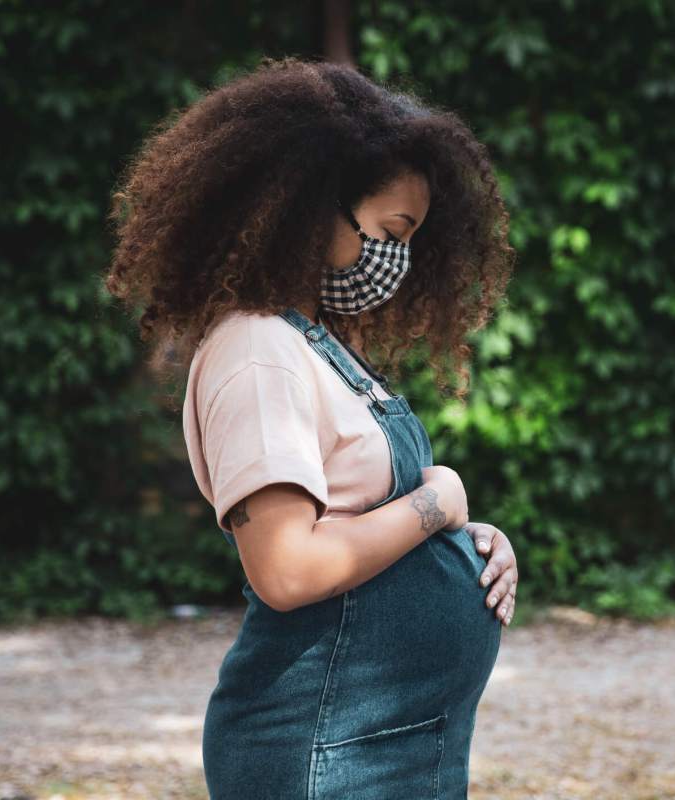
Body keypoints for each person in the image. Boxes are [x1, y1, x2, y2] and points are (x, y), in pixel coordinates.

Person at [104, 56, 519, 799]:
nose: (401, 258)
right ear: (311, 205)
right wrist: (436, 505)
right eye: (394, 230)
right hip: (327, 748)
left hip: (384, 740)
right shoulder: (259, 351)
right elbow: (289, 567)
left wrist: (473, 548)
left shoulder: (313, 345)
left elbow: (360, 519)